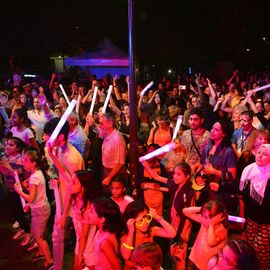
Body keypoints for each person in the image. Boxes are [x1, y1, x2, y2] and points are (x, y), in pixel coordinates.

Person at [44, 117, 85, 270]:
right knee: (56, 237)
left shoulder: (73, 158)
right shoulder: (59, 149)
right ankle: (57, 266)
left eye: (49, 135)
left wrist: (64, 214)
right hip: (63, 201)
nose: (46, 138)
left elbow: (74, 188)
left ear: (60, 136)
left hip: (74, 205)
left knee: (82, 242)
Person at [13, 149, 53, 270]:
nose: (23, 162)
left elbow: (31, 197)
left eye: (25, 160)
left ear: (34, 163)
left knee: (38, 237)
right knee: (38, 233)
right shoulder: (38, 173)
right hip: (42, 208)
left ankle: (50, 261)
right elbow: (37, 195)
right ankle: (41, 253)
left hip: (40, 211)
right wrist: (29, 204)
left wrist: (19, 191)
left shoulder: (34, 178)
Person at [53, 169, 100, 270]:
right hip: (80, 242)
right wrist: (63, 216)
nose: (70, 185)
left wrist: (81, 255)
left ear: (83, 188)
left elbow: (84, 235)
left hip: (89, 246)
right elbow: (64, 172)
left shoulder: (89, 208)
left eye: (74, 182)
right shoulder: (75, 196)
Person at [239, 144, 270, 270]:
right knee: (250, 249)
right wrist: (220, 186)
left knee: (261, 252)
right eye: (259, 152)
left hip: (267, 223)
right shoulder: (249, 170)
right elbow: (240, 190)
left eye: (265, 154)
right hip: (251, 219)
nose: (260, 156)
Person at [120, 200, 176, 269]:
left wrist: (158, 218)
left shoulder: (151, 231)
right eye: (140, 220)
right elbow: (125, 256)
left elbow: (172, 234)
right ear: (132, 221)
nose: (146, 222)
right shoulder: (126, 235)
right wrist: (131, 232)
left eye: (147, 217)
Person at [200, 120, 237, 213]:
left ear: (224, 134)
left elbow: (232, 176)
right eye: (212, 128)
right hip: (207, 189)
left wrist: (213, 171)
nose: (212, 131)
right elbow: (203, 165)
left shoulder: (228, 151)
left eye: (216, 130)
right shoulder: (208, 146)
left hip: (220, 192)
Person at [0, 137, 31, 245]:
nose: (7, 146)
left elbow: (18, 176)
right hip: (9, 188)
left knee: (20, 213)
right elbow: (4, 173)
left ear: (18, 148)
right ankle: (22, 229)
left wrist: (8, 167)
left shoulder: (20, 159)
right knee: (13, 212)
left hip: (18, 190)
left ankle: (28, 233)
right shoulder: (6, 157)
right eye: (7, 144)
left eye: (11, 145)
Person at [183, 200, 228, 270]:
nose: (204, 219)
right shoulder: (205, 222)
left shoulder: (222, 231)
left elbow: (211, 242)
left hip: (206, 267)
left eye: (208, 217)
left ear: (219, 217)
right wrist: (202, 208)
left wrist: (212, 225)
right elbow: (185, 211)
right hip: (194, 260)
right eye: (204, 216)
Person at [89, 197, 122, 270]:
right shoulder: (100, 232)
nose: (89, 213)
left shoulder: (105, 243)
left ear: (102, 219)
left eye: (91, 212)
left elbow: (118, 267)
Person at [98, 113, 126, 191]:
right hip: (106, 171)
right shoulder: (106, 134)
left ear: (110, 124)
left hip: (115, 174)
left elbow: (120, 163)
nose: (99, 126)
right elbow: (96, 131)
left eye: (101, 123)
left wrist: (109, 177)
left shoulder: (117, 139)